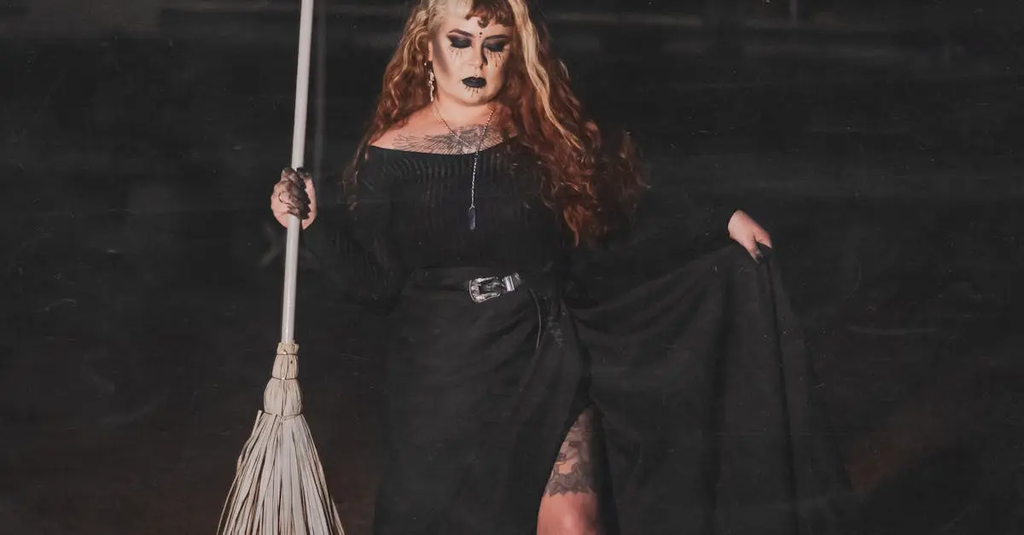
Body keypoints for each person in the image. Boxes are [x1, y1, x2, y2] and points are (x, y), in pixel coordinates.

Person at [270, 0, 853, 534]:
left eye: (495, 45)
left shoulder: (542, 133)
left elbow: (621, 218)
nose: (477, 60)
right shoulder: (389, 155)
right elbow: (375, 283)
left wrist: (720, 221)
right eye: (460, 41)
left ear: (515, 52)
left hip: (540, 348)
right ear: (427, 47)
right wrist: (314, 226)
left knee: (575, 525)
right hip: (441, 374)